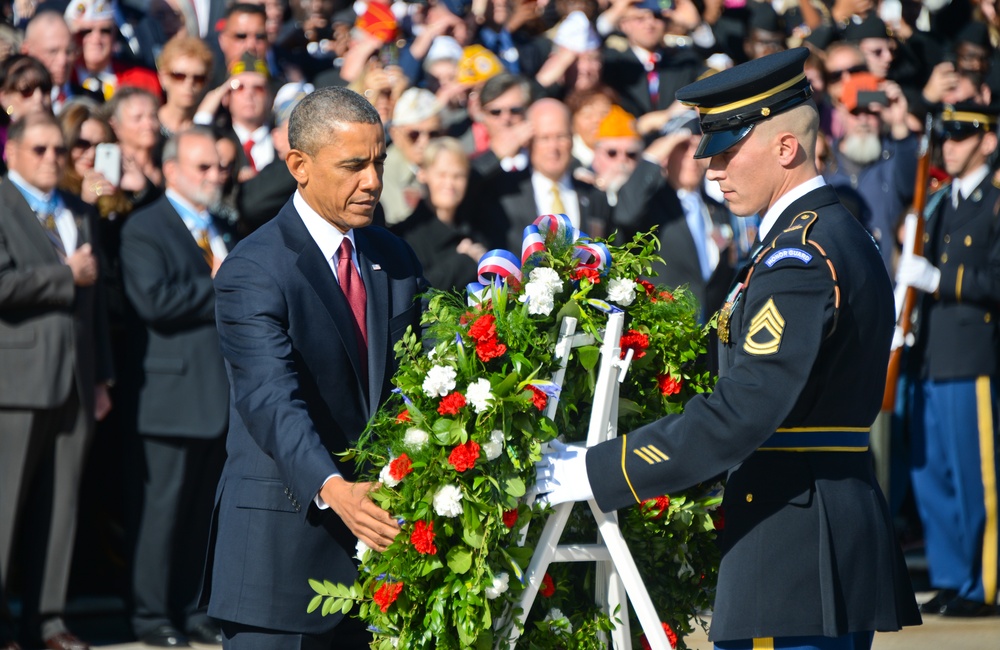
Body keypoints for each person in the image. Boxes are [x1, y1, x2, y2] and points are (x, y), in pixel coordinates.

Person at [532, 47, 922, 649]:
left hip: (788, 542)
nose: (711, 167)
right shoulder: (839, 236)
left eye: (728, 150)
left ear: (786, 148)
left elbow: (743, 411)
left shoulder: (796, 259)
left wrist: (597, 468)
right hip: (821, 527)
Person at [206, 86, 427, 649]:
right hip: (278, 567)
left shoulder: (394, 257)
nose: (374, 181)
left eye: (378, 161)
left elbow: (421, 379)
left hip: (381, 569)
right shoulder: (254, 268)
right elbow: (270, 400)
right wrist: (334, 487)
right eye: (354, 165)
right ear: (299, 166)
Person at [0, 112, 113, 650]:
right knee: (4, 508)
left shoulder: (76, 211)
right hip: (15, 381)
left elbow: (97, 309)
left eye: (58, 150)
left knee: (61, 506)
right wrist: (64, 275)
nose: (52, 158)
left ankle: (47, 621)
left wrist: (101, 378)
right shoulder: (0, 201)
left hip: (75, 378)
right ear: (12, 153)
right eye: (40, 149)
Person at [118, 126, 235, 648]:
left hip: (221, 396)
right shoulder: (146, 227)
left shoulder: (223, 225)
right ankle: (149, 615)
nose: (216, 176)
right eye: (203, 168)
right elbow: (153, 302)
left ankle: (192, 608)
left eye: (219, 166)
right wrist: (219, 279)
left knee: (199, 515)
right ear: (170, 171)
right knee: (161, 513)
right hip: (170, 398)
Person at [898, 101, 1000, 618]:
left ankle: (983, 584)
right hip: (931, 355)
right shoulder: (938, 202)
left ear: (988, 141)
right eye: (947, 138)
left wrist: (942, 283)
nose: (951, 147)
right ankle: (951, 574)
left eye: (962, 137)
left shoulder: (995, 204)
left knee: (976, 477)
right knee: (931, 473)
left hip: (972, 355)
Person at [392, 136, 488, 293]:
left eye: (458, 176)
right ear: (423, 174)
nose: (449, 184)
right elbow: (415, 294)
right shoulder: (405, 236)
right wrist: (465, 260)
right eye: (441, 175)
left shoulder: (477, 226)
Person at [381, 87, 443, 226]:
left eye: (433, 134)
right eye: (414, 135)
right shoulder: (384, 171)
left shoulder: (449, 163)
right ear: (395, 134)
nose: (425, 142)